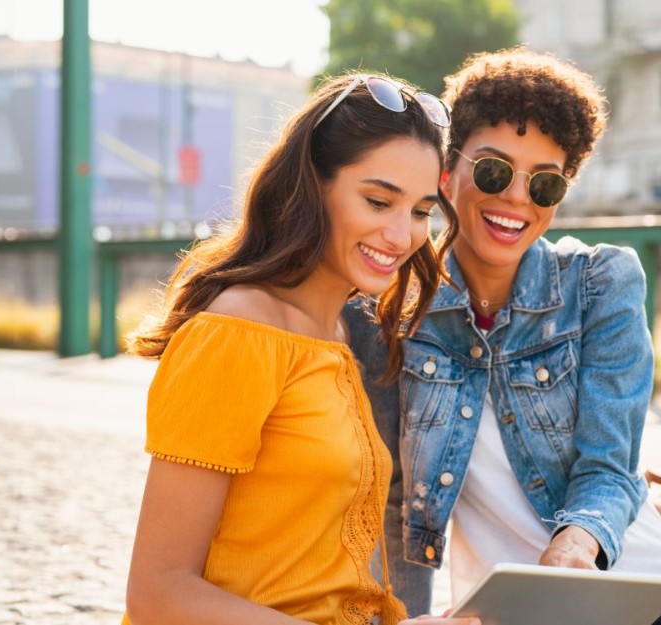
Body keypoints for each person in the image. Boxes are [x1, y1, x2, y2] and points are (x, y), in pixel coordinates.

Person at [346, 49, 661, 624]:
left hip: (650, 597)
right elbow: (393, 499)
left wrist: (576, 543)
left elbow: (610, 468)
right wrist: (403, 620)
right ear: (447, 173)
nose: (517, 198)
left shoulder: (602, 283)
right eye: (495, 171)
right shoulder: (387, 310)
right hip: (508, 614)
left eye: (545, 184)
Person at [122, 72, 478, 625]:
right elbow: (158, 594)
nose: (402, 234)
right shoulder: (237, 331)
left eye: (420, 211)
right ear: (313, 186)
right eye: (378, 200)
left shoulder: (336, 334)